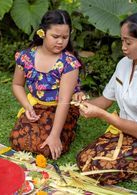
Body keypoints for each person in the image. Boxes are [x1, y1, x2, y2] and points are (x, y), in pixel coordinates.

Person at [74, 13, 137, 185]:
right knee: (83, 159)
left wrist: (102, 115)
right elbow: (105, 99)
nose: (123, 47)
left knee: (100, 169)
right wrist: (82, 102)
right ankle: (133, 162)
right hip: (123, 129)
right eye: (122, 41)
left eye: (128, 42)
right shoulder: (124, 63)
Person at [9, 10, 83, 160]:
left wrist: (55, 136)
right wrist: (27, 107)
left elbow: (64, 101)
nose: (61, 42)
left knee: (48, 150)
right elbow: (17, 84)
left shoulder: (68, 63)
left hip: (60, 108)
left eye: (65, 37)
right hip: (36, 105)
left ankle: (69, 128)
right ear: (42, 33)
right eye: (55, 37)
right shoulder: (26, 57)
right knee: (17, 140)